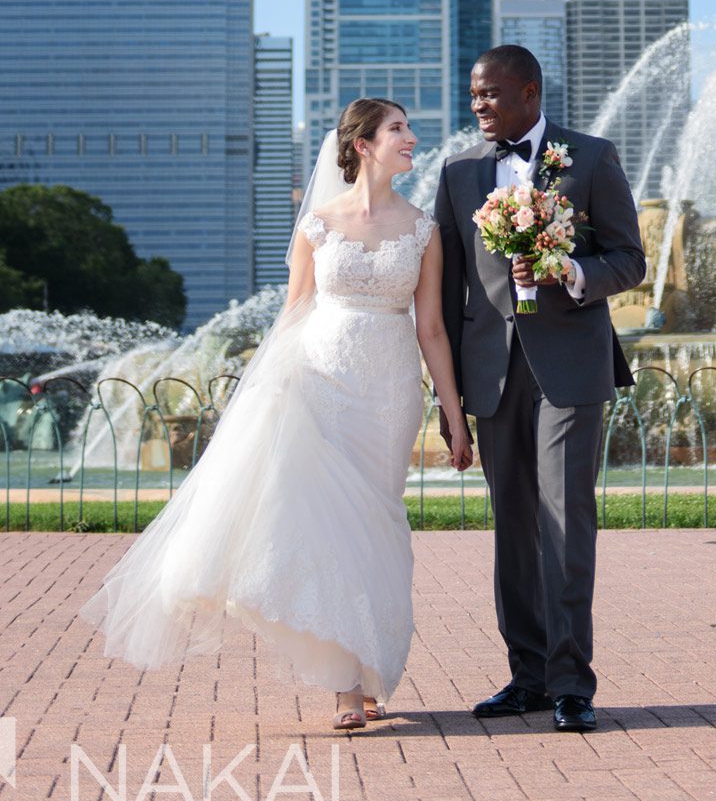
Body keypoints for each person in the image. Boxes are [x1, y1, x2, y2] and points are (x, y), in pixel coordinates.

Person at [81, 99, 473, 731]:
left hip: (391, 387)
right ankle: (347, 684)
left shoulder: (424, 230)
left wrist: (453, 416)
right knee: (328, 529)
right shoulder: (317, 225)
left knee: (379, 523)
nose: (411, 137)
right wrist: (268, 390)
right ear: (363, 145)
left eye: (407, 128)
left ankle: (371, 667)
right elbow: (293, 315)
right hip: (320, 381)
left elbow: (430, 329)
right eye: (398, 128)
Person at [433, 44, 646, 733]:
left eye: (490, 94)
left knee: (564, 518)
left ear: (528, 91)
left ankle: (570, 683)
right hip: (490, 372)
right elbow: (446, 289)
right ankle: (525, 677)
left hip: (570, 367)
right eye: (473, 95)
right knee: (514, 527)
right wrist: (449, 398)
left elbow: (628, 259)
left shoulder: (591, 156)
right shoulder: (459, 172)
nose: (478, 105)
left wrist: (573, 273)